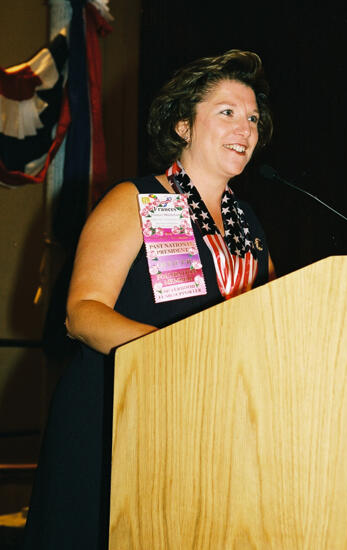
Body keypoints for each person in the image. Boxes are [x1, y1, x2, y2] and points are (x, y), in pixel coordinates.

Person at [22, 49, 275, 549]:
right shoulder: (139, 201)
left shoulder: (249, 227)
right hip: (113, 417)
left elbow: (274, 322)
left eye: (252, 119)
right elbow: (83, 314)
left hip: (194, 423)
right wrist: (179, 353)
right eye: (226, 112)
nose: (245, 128)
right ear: (183, 125)